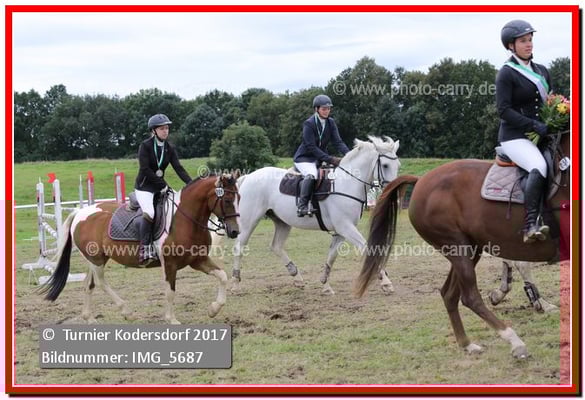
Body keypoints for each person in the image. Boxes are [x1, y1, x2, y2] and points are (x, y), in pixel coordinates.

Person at [496, 20, 552, 243]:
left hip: (543, 134)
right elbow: (503, 110)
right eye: (523, 41)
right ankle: (530, 225)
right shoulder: (506, 73)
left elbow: (550, 103)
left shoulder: (542, 71)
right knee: (539, 166)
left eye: (530, 40)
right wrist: (532, 125)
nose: (529, 44)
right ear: (511, 45)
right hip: (515, 137)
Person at [135, 113, 192, 265]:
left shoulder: (169, 148)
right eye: (162, 129)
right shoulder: (145, 146)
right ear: (154, 131)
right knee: (150, 213)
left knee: (176, 208)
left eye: (167, 128)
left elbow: (179, 168)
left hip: (160, 186)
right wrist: (163, 185)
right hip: (144, 187)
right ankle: (145, 249)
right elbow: (145, 169)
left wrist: (193, 184)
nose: (165, 131)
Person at [293, 94, 350, 217]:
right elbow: (311, 147)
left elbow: (338, 142)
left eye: (328, 109)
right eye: (324, 109)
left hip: (319, 159)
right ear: (316, 109)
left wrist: (350, 155)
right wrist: (330, 159)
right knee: (312, 174)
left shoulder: (331, 122)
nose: (327, 111)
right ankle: (302, 206)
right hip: (305, 158)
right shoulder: (309, 124)